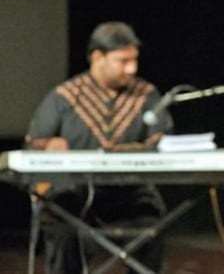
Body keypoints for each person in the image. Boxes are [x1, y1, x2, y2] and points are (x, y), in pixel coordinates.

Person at [26, 21, 172, 274]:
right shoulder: (66, 96)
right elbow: (33, 142)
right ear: (97, 57)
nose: (132, 68)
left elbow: (162, 141)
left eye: (134, 60)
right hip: (75, 194)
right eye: (123, 61)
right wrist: (49, 144)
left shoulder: (145, 95)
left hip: (129, 193)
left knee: (151, 224)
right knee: (62, 229)